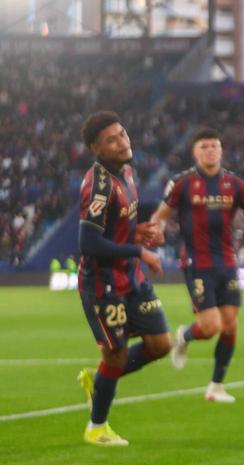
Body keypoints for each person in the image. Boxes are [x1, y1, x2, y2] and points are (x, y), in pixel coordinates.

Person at [149, 127, 244, 403]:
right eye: (204, 146)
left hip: (227, 262)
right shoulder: (182, 183)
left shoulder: (234, 184)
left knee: (231, 325)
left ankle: (215, 386)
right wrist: (157, 229)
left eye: (214, 145)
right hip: (197, 263)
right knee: (211, 327)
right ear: (195, 152)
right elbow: (161, 214)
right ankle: (184, 336)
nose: (210, 150)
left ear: (221, 150)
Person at [74, 110, 171, 447]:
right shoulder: (98, 184)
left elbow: (119, 226)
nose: (121, 142)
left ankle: (97, 379)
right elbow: (89, 242)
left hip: (131, 277)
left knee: (160, 344)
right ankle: (97, 427)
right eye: (111, 140)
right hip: (103, 284)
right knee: (115, 355)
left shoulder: (127, 171)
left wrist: (139, 231)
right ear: (96, 149)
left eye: (122, 134)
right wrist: (139, 252)